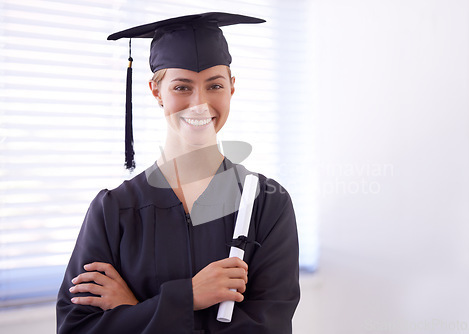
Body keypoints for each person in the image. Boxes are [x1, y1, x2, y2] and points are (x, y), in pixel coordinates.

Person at [56, 12, 300, 334]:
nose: (200, 104)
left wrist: (134, 311)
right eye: (182, 87)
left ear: (232, 87)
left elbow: (268, 329)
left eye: (214, 85)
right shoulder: (113, 210)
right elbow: (77, 328)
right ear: (156, 92)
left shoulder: (267, 204)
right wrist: (189, 296)